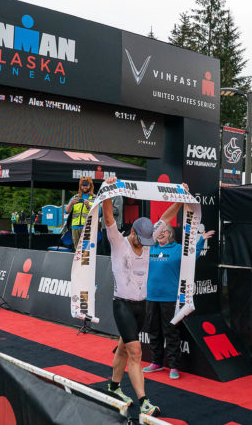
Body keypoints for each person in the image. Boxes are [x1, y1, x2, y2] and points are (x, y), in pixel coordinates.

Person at [100, 176, 162, 416]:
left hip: (141, 306)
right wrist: (107, 191)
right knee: (136, 353)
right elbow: (108, 218)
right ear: (133, 232)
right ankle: (144, 402)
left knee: (123, 348)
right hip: (123, 306)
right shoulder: (119, 242)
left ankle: (114, 386)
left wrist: (181, 196)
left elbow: (166, 219)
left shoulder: (147, 240)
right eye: (141, 239)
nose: (144, 244)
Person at [143, 197, 215, 380]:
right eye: (159, 232)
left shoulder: (177, 249)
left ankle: (174, 365)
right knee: (153, 330)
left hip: (169, 298)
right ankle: (156, 362)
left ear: (170, 234)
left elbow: (192, 256)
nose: (161, 234)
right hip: (151, 296)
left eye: (164, 232)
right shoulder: (149, 249)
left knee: (171, 332)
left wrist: (201, 241)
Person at [64, 176, 95, 250]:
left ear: (90, 185)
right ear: (80, 186)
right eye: (82, 185)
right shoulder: (75, 197)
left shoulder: (94, 198)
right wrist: (70, 203)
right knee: (77, 250)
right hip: (75, 227)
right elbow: (66, 211)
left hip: (88, 228)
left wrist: (88, 206)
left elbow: (99, 213)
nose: (84, 187)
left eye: (86, 185)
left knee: (86, 251)